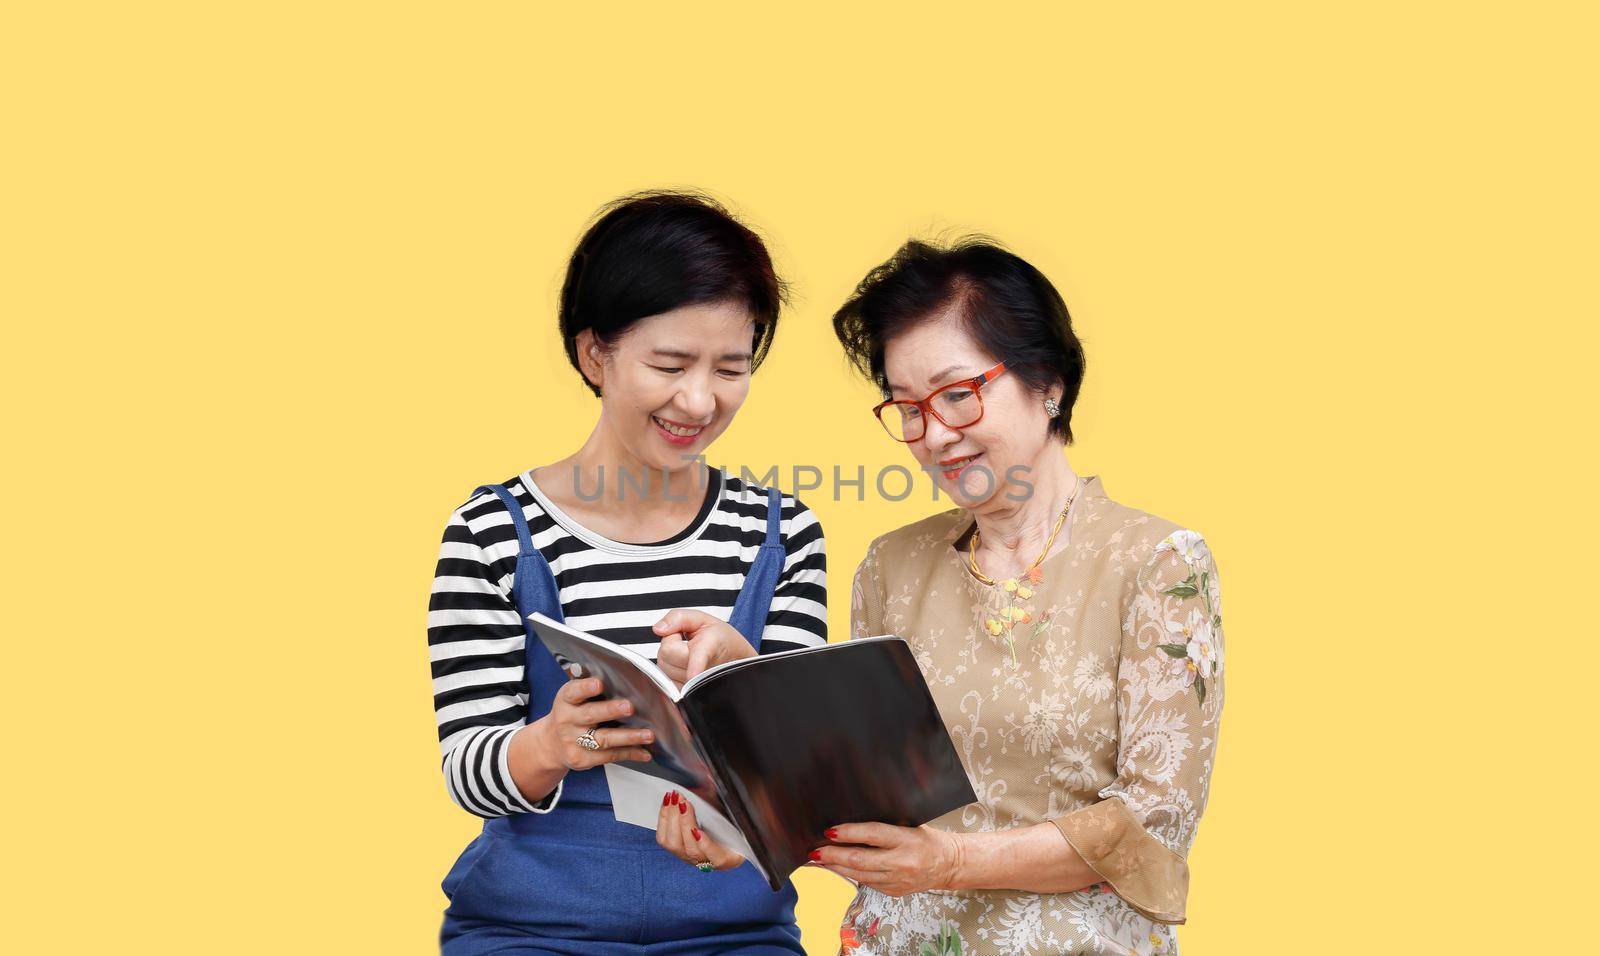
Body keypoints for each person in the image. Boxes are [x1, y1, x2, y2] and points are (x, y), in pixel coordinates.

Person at [428, 192, 827, 954]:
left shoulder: (781, 533)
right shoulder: (490, 532)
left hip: (735, 930)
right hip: (530, 929)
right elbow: (465, 769)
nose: (700, 400)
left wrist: (748, 676)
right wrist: (550, 743)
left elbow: (803, 792)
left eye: (731, 368)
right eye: (670, 365)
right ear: (594, 354)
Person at [818, 238, 1224, 955]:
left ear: (1049, 383)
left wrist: (950, 863)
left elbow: (1154, 822)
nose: (934, 436)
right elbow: (870, 794)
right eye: (908, 408)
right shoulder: (891, 566)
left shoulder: (1155, 563)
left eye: (957, 395)